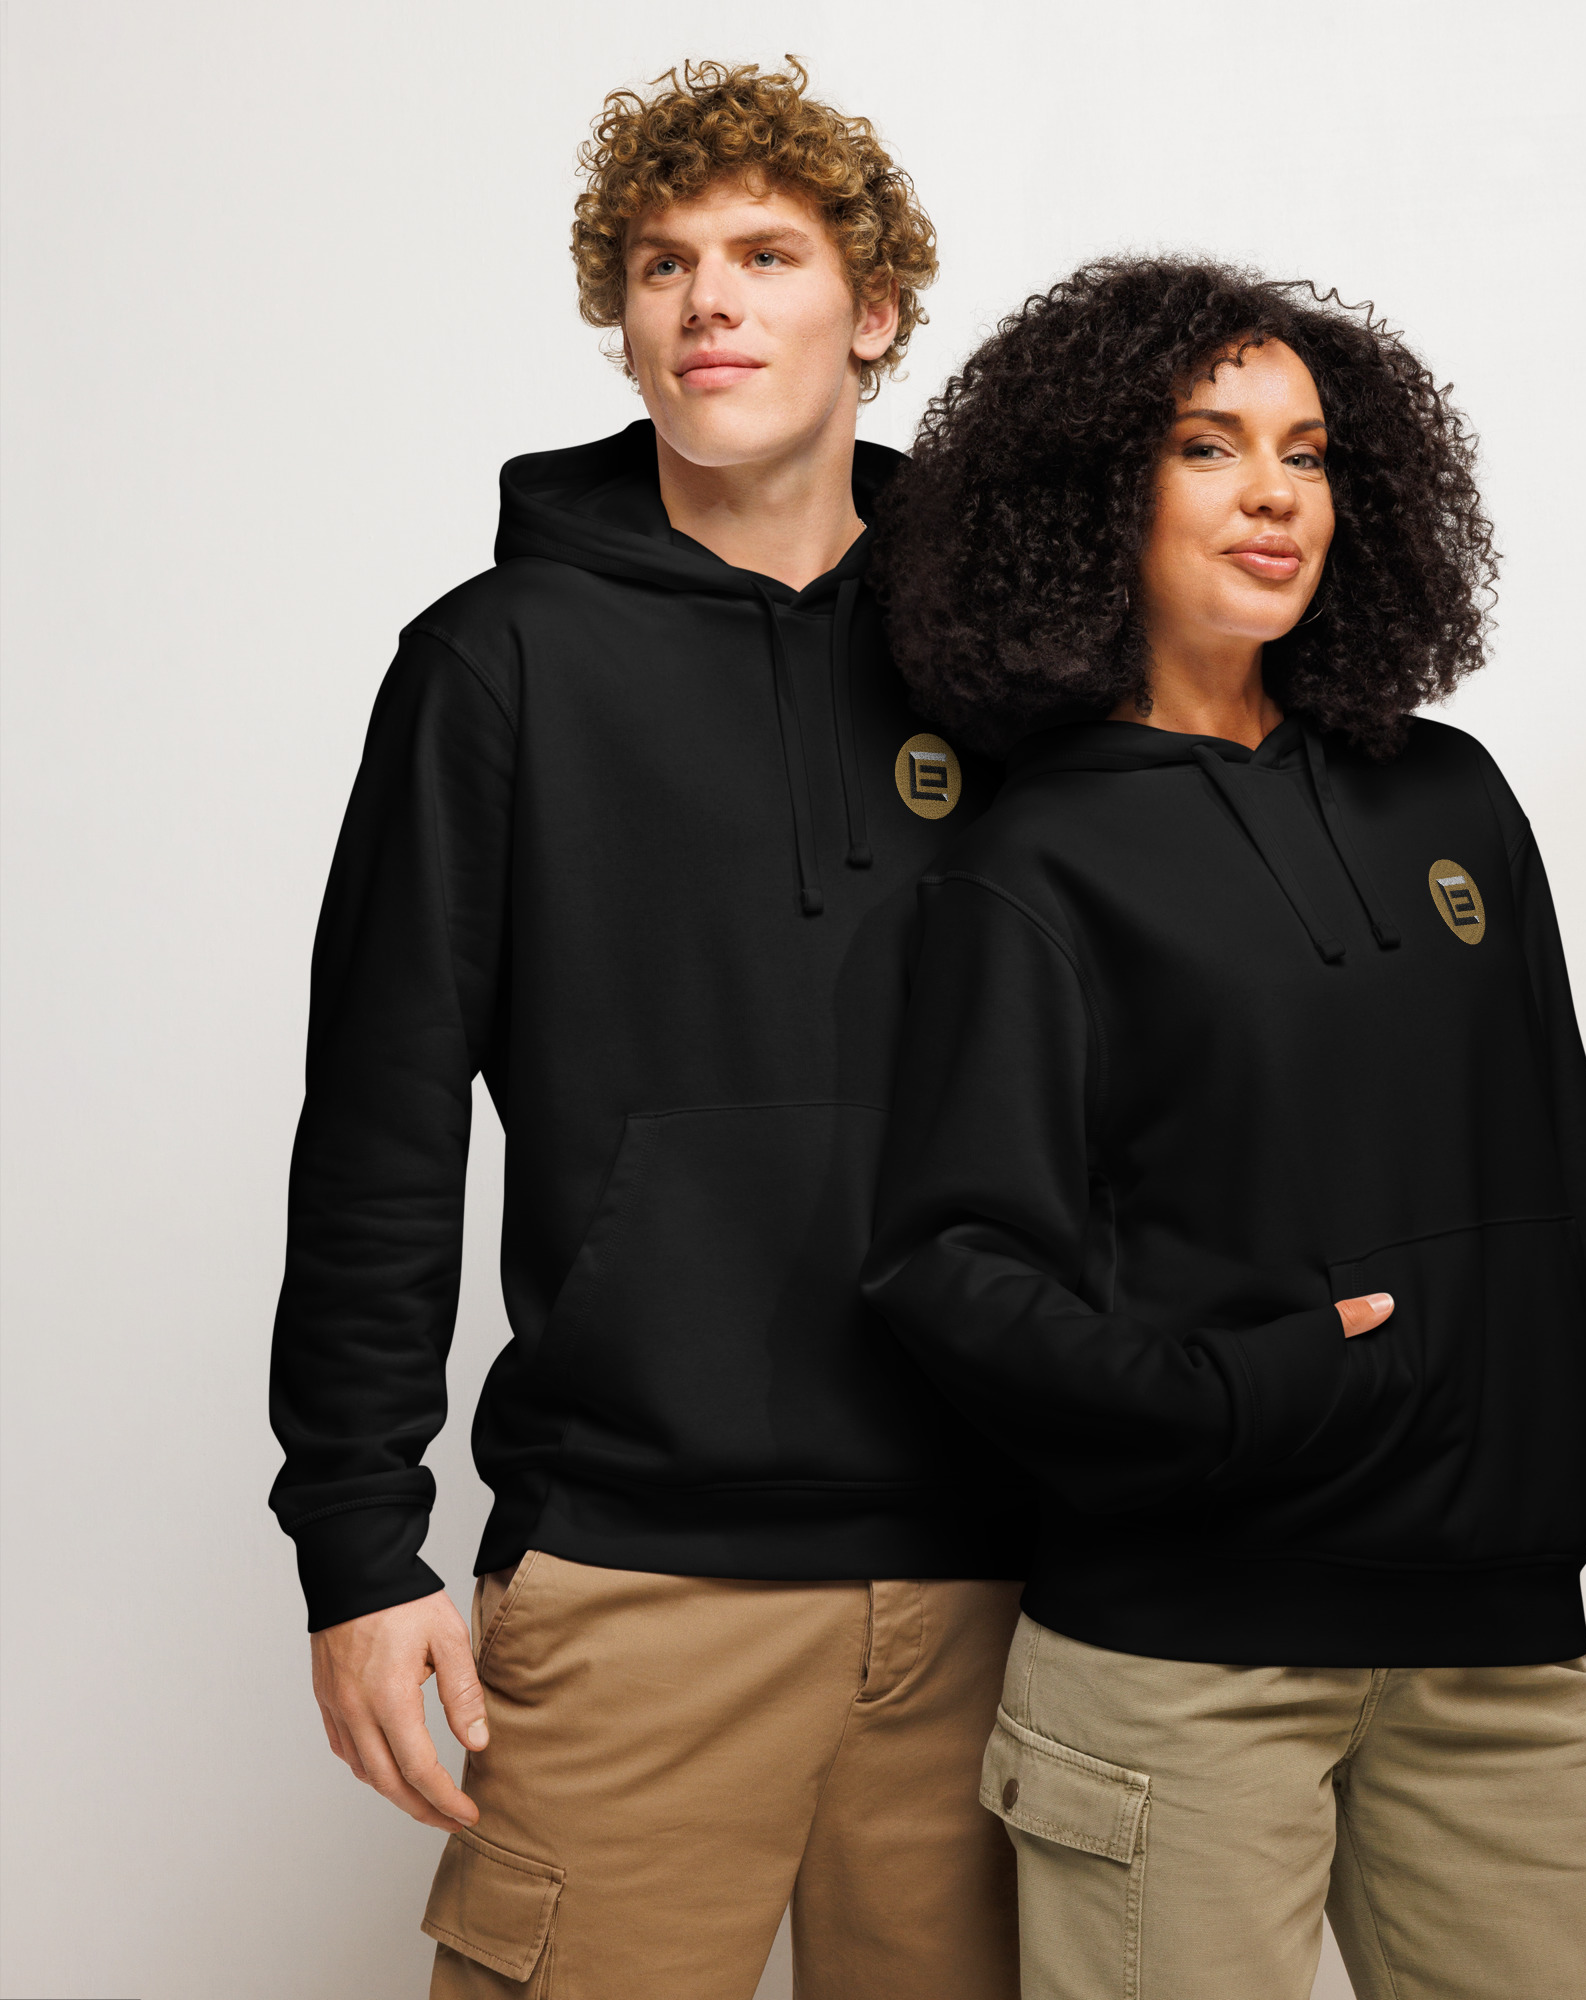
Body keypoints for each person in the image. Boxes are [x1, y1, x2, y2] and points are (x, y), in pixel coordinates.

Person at [862, 258, 1586, 2000]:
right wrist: (1236, 1396)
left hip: (1493, 1657)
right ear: (1095, 497)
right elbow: (948, 1267)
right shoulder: (1033, 863)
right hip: (1181, 1673)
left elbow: (1566, 1184)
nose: (1273, 493)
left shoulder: (1451, 799)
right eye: (1209, 445)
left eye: (1309, 453)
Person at [268, 61, 1028, 2000]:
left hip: (1007, 1587)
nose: (709, 300)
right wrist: (357, 1542)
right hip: (634, 1577)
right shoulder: (492, 663)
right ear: (623, 324)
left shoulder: (1018, 668)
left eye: (766, 254)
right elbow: (379, 1125)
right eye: (663, 263)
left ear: (874, 309)